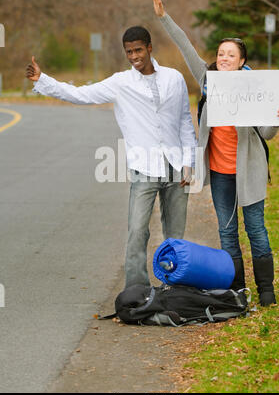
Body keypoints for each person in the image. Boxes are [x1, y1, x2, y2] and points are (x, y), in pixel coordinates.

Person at [26, 26, 197, 288]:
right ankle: (137, 289)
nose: (134, 56)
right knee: (137, 231)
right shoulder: (121, 83)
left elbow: (185, 120)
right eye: (129, 52)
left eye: (138, 50)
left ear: (150, 48)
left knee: (176, 235)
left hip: (176, 166)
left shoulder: (174, 79)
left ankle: (175, 286)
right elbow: (81, 94)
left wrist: (189, 162)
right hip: (144, 168)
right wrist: (43, 80)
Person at [149, 0, 279, 306]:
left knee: (255, 229)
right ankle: (238, 289)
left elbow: (266, 133)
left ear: (242, 62)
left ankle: (266, 291)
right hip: (220, 171)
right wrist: (163, 17)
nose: (224, 58)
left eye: (231, 55)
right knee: (227, 232)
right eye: (221, 53)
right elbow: (185, 46)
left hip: (248, 171)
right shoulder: (209, 78)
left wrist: (277, 118)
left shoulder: (256, 88)